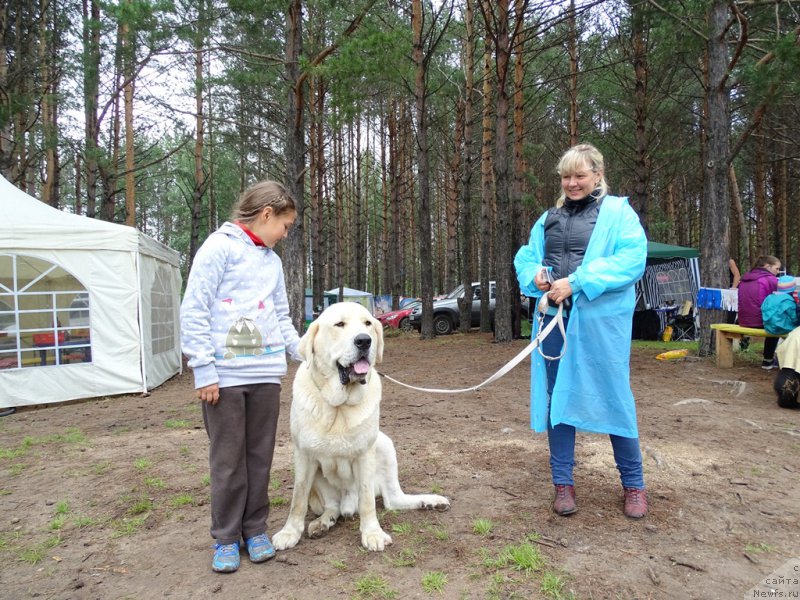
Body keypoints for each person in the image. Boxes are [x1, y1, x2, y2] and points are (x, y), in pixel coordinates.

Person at [514, 143, 648, 519]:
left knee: (614, 396)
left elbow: (631, 260)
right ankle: (563, 484)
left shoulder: (619, 214)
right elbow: (527, 256)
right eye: (566, 176)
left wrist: (578, 281)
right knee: (559, 400)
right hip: (554, 322)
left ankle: (634, 485)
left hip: (600, 325)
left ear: (597, 175)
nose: (572, 183)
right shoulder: (549, 218)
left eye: (580, 175)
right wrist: (536, 275)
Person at [180, 180, 301, 573]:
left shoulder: (272, 262)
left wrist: (305, 352)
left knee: (259, 458)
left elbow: (282, 317)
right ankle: (227, 537)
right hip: (225, 379)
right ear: (267, 214)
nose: (284, 235)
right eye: (284, 226)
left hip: (267, 376)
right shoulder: (219, 248)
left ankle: (255, 529)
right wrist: (203, 369)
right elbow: (194, 308)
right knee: (228, 461)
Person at [738, 255, 781, 369]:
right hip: (761, 322)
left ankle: (744, 345)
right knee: (778, 325)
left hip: (743, 321)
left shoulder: (744, 279)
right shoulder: (771, 280)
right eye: (776, 268)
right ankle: (768, 360)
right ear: (767, 266)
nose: (778, 272)